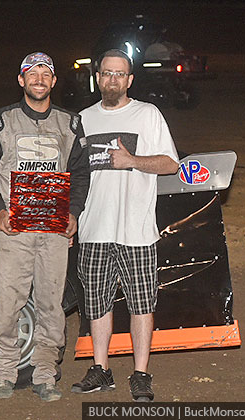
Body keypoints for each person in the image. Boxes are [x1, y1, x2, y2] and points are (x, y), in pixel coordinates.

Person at [0, 52, 89, 402]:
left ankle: (45, 374)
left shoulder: (70, 123)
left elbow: (81, 173)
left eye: (45, 73)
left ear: (53, 82)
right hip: (14, 231)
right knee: (8, 303)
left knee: (52, 305)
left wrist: (74, 212)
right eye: (32, 73)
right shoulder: (0, 120)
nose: (39, 79)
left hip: (54, 229)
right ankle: (5, 372)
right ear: (21, 80)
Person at [71, 49, 179, 403]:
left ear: (130, 80)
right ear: (97, 77)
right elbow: (71, 175)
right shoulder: (82, 120)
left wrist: (131, 160)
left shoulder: (148, 115)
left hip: (136, 231)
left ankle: (141, 374)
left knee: (141, 304)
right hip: (94, 229)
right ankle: (100, 370)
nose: (113, 79)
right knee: (96, 304)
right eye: (107, 73)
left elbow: (169, 164)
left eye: (120, 74)